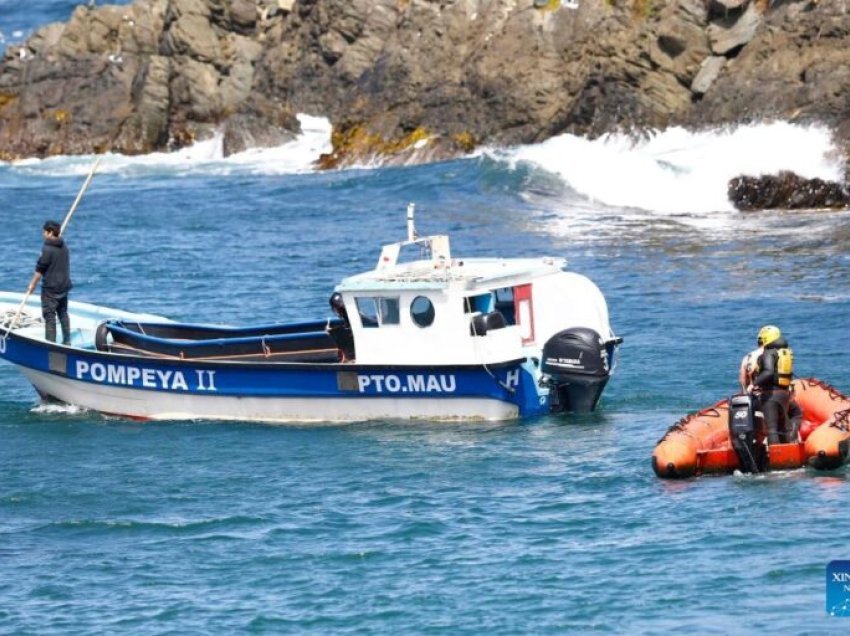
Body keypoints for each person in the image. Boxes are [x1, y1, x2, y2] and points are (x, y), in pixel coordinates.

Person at [745, 325, 801, 444]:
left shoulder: (769, 353)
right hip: (784, 394)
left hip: (770, 395)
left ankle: (776, 459)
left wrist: (753, 384)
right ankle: (789, 452)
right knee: (784, 427)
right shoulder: (784, 353)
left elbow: (768, 372)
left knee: (772, 429)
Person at [26, 220, 73, 345]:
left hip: (51, 290)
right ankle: (67, 341)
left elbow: (39, 270)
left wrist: (32, 285)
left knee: (50, 316)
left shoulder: (47, 249)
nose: (43, 235)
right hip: (63, 286)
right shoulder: (64, 246)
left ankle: (50, 344)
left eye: (45, 232)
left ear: (50, 232)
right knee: (63, 314)